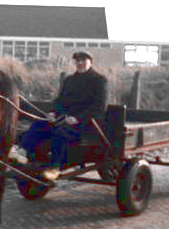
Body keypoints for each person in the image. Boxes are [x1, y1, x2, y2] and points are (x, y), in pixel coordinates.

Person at [16, 51, 108, 180]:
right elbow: (59, 101)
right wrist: (53, 112)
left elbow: (99, 107)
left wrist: (78, 119)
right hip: (66, 120)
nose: (80, 63)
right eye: (77, 61)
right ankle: (23, 152)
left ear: (90, 62)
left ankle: (54, 168)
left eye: (83, 60)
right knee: (39, 124)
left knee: (60, 132)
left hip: (88, 123)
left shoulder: (99, 80)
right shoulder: (70, 80)